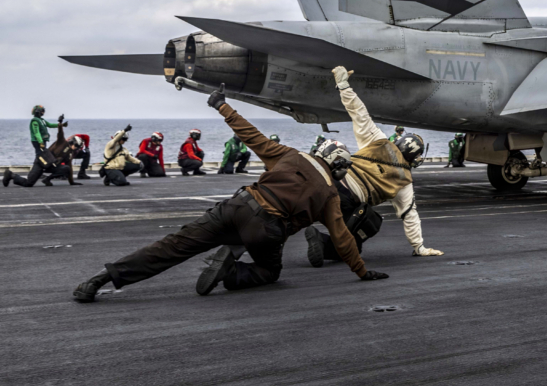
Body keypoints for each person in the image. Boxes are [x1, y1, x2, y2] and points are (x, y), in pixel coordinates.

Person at [72, 85, 389, 303]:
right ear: (338, 170)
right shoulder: (331, 195)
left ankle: (98, 280)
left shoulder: (291, 155)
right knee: (269, 271)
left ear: (321, 151)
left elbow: (250, 135)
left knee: (171, 246)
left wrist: (222, 105)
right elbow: (344, 239)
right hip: (266, 230)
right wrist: (362, 271)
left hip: (236, 206)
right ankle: (232, 270)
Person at [304, 66, 444, 267]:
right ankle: (323, 242)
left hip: (329, 179)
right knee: (366, 229)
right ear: (414, 157)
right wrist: (419, 247)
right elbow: (410, 215)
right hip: (346, 201)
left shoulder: (378, 140)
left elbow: (358, 111)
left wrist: (343, 85)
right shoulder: (404, 182)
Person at [4, 122, 82, 187]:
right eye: (77, 146)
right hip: (41, 162)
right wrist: (60, 124)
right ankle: (11, 175)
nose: (77, 149)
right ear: (73, 143)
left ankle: (47, 179)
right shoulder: (62, 142)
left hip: (50, 166)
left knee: (66, 168)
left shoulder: (70, 154)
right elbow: (60, 133)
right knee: (28, 183)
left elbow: (70, 167)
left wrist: (72, 182)